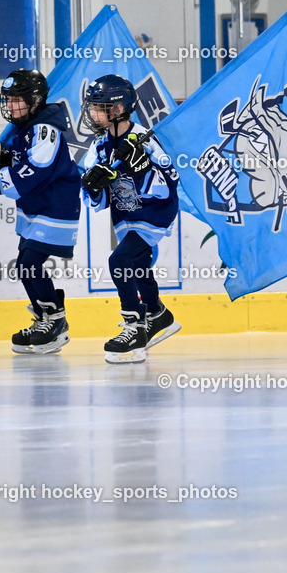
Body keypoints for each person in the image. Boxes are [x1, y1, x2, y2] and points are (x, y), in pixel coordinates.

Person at [0, 69, 81, 354]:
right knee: (24, 266)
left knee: (30, 263)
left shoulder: (45, 130)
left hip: (55, 207)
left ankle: (56, 322)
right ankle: (44, 318)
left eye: (18, 99)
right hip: (36, 208)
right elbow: (19, 159)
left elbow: (34, 171)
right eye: (9, 99)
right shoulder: (23, 127)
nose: (11, 105)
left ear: (36, 101)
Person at [79, 74, 180, 364]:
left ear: (119, 109)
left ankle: (134, 325)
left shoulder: (146, 140)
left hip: (153, 214)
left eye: (99, 108)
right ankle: (158, 314)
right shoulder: (100, 147)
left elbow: (170, 183)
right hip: (125, 215)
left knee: (120, 262)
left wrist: (143, 170)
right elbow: (94, 200)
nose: (93, 114)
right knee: (137, 265)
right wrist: (94, 185)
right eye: (92, 107)